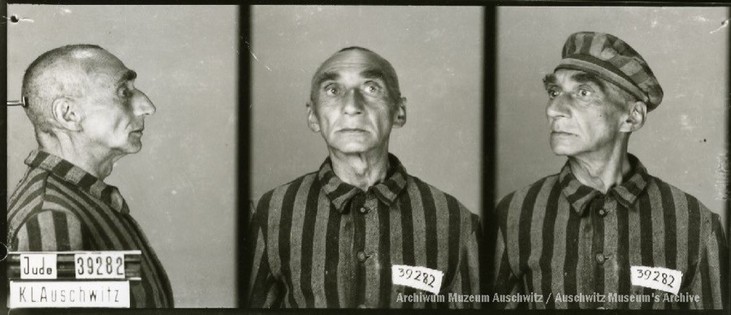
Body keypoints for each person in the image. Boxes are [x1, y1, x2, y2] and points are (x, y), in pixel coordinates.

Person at [489, 31, 728, 310]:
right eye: (554, 92)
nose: (554, 109)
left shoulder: (697, 224)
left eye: (583, 93)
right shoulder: (514, 213)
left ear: (632, 117)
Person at [246, 47, 481, 308]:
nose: (352, 106)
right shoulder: (273, 213)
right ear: (312, 115)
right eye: (333, 90)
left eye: (371, 88)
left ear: (399, 111)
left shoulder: (455, 221)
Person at [6, 44, 173, 308]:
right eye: (123, 93)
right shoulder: (52, 216)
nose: (147, 106)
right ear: (68, 115)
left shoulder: (82, 200)